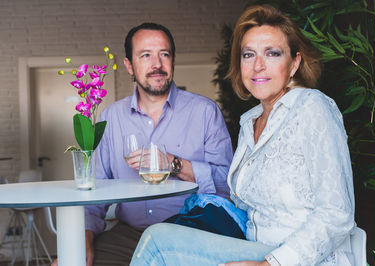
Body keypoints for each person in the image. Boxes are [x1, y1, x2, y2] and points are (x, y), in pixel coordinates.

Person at [130, 5, 356, 266]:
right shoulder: (250, 122)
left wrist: (270, 264)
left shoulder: (312, 107)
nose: (258, 65)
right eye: (248, 55)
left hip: (301, 259)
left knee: (157, 242)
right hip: (253, 249)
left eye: (272, 53)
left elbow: (337, 213)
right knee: (163, 237)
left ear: (294, 62)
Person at [52, 22, 233, 266]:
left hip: (191, 231)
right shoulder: (111, 117)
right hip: (128, 235)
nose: (156, 64)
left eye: (164, 54)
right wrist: (84, 238)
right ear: (129, 65)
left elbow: (227, 184)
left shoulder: (205, 112)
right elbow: (94, 191)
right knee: (68, 262)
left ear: (173, 60)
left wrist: (175, 164)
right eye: (145, 55)